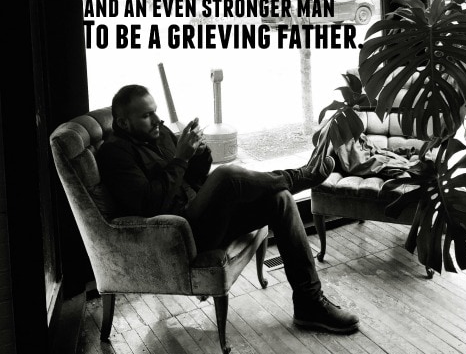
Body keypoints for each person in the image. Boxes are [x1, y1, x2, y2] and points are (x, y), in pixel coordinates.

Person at [96, 84, 359, 334]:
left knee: (280, 199)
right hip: (179, 235)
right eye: (146, 115)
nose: (157, 120)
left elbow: (194, 178)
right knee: (226, 175)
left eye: (155, 111)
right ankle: (299, 177)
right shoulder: (114, 154)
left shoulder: (160, 133)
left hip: (205, 217)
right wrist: (181, 158)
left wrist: (199, 153)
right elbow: (150, 204)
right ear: (124, 123)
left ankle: (309, 303)